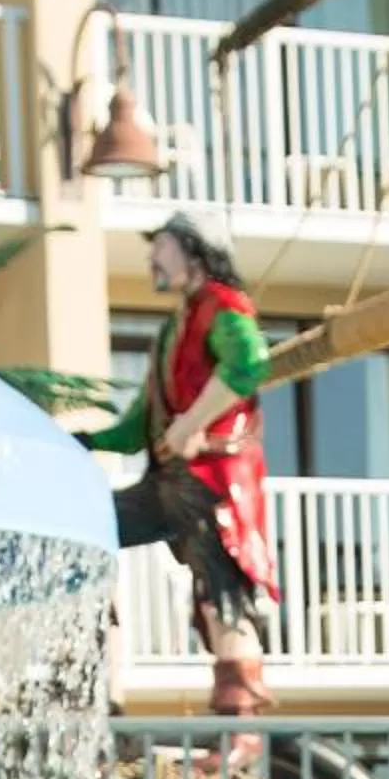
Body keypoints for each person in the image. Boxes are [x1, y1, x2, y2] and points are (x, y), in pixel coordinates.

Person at [77, 209, 280, 716]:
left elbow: (250, 365)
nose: (151, 256)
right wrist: (87, 440)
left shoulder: (224, 308)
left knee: (222, 590)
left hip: (215, 480)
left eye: (160, 244)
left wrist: (192, 424)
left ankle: (241, 722)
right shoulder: (175, 327)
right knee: (89, 529)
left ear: (192, 249)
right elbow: (141, 424)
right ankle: (101, 691)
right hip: (170, 481)